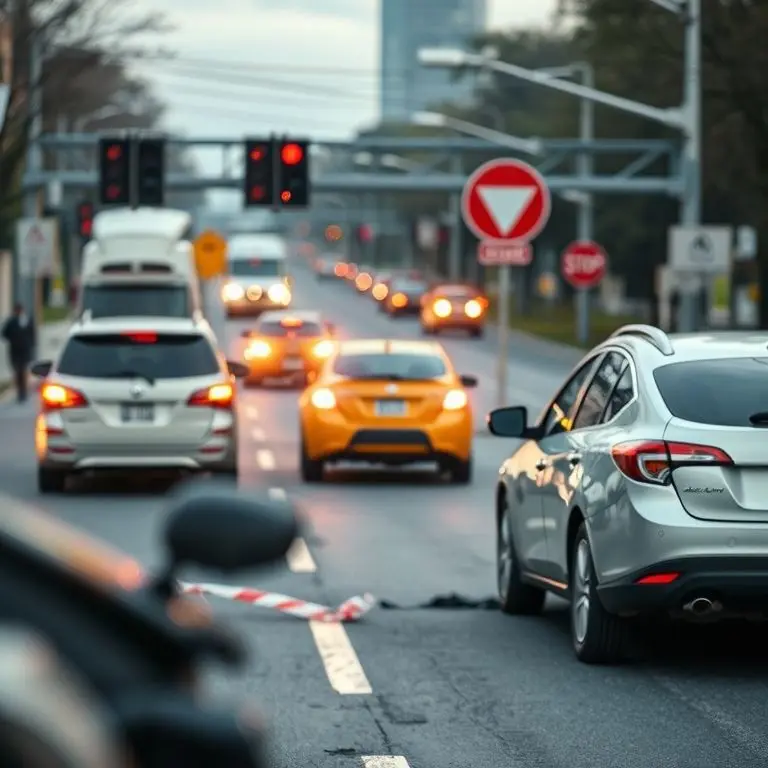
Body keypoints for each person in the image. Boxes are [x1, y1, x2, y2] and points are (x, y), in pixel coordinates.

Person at [2, 303, 36, 402]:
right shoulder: (11, 322)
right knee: (18, 371)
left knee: (23, 371)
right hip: (16, 351)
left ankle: (23, 391)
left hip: (23, 351)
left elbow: (32, 334)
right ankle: (20, 392)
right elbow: (4, 334)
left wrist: (31, 345)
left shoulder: (26, 321)